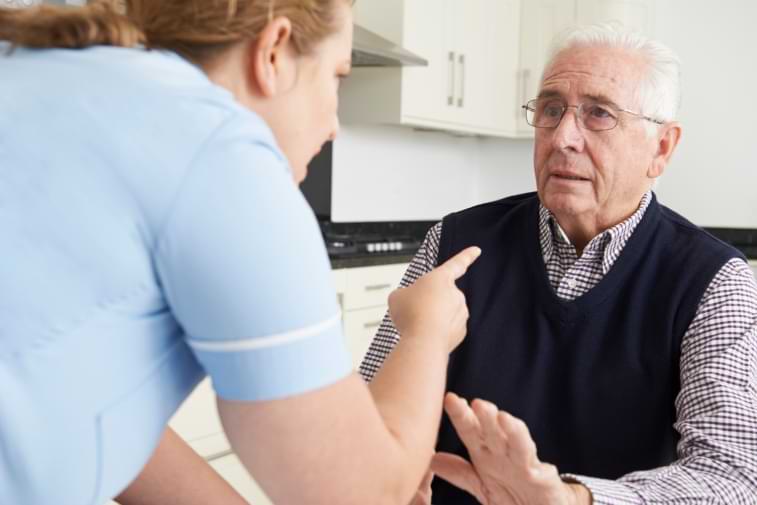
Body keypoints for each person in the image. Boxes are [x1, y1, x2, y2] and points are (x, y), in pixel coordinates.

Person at [0, 1, 482, 504]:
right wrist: (424, 331)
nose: (335, 124)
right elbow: (361, 496)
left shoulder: (49, 71)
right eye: (337, 75)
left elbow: (92, 404)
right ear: (272, 52)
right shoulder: (223, 153)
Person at [360, 23, 757, 505]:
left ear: (661, 148)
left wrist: (573, 500)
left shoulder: (714, 281)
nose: (564, 136)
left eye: (598, 114)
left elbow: (734, 474)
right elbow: (366, 417)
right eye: (551, 109)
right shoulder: (455, 244)